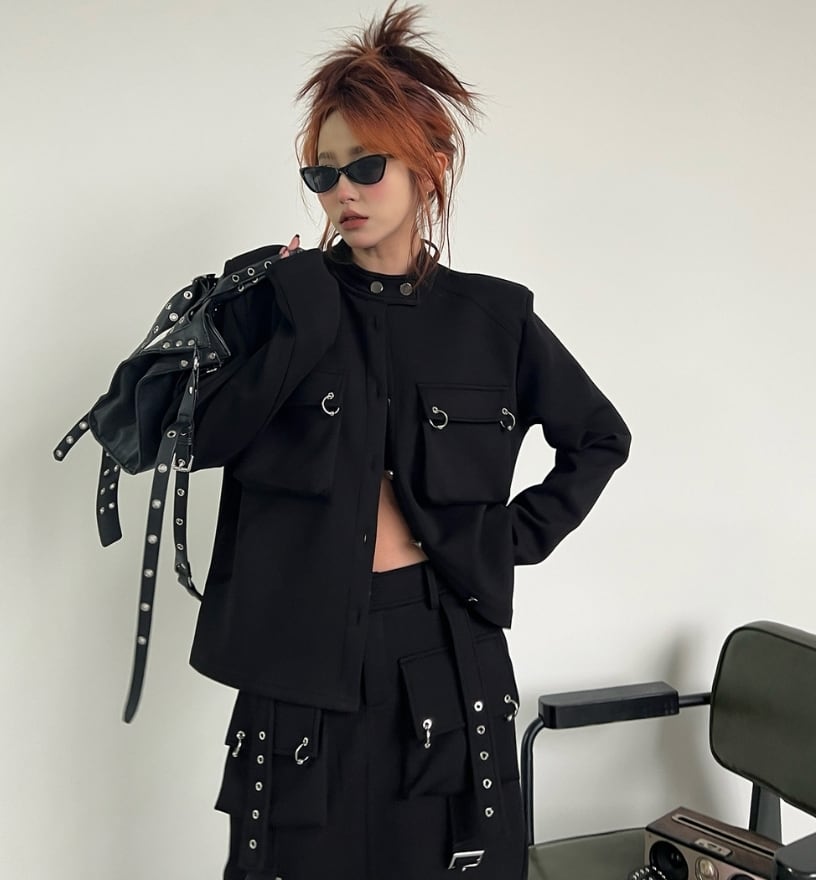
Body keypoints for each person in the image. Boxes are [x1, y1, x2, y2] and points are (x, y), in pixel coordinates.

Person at [181, 3, 632, 878]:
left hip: (443, 648)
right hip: (300, 658)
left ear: (430, 165)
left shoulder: (494, 319)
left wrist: (504, 540)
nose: (342, 192)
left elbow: (599, 436)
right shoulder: (282, 304)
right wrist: (285, 317)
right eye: (323, 172)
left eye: (366, 166)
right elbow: (189, 441)